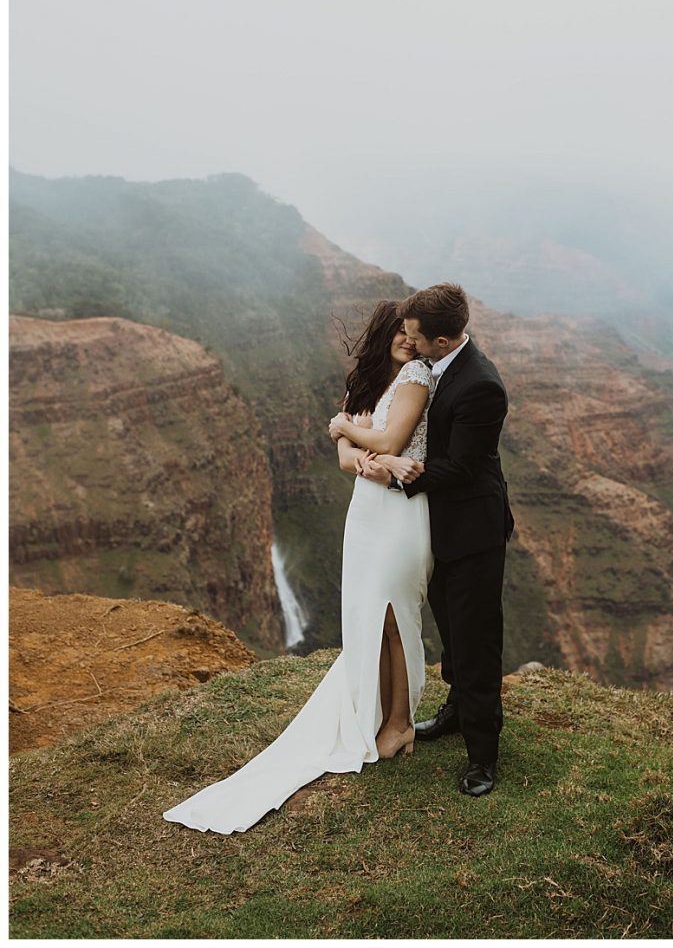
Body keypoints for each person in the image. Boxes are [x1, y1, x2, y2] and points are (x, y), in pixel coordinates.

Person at [164, 300, 434, 833]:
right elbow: (347, 461)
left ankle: (400, 723)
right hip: (368, 511)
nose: (407, 341)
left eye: (413, 334)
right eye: (399, 333)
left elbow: (394, 443)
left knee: (395, 617)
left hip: (405, 514)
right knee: (371, 617)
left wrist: (354, 437)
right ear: (384, 334)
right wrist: (371, 458)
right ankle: (383, 714)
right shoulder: (365, 388)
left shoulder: (418, 378)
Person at [387, 282, 514, 798]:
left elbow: (461, 466)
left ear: (443, 341)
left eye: (416, 336)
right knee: (451, 632)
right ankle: (456, 714)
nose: (408, 342)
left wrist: (394, 474)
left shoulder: (481, 386)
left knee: (476, 640)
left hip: (472, 532)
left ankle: (484, 755)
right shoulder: (437, 367)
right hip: (436, 528)